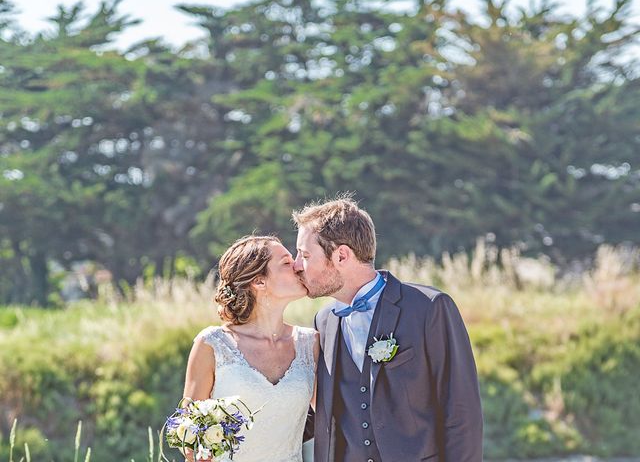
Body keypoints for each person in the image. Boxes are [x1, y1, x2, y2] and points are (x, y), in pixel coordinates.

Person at [293, 197, 483, 462]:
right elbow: (327, 413)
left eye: (304, 255)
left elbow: (462, 412)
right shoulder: (323, 322)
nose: (296, 265)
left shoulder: (428, 308)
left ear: (341, 255)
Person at [183, 235, 319, 462]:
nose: (297, 265)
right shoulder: (212, 345)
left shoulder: (310, 344)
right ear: (259, 282)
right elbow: (191, 442)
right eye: (286, 263)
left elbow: (334, 421)